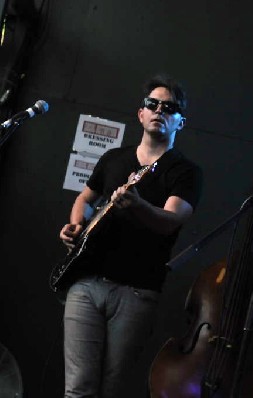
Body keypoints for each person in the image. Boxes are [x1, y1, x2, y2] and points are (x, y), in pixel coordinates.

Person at [58, 74, 202, 397]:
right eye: (153, 104)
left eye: (169, 107)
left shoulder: (185, 172)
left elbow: (170, 220)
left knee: (112, 390)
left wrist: (137, 205)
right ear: (141, 114)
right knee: (78, 388)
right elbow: (84, 199)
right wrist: (77, 225)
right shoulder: (113, 159)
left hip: (137, 293)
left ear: (181, 121)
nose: (159, 110)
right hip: (86, 283)